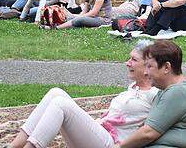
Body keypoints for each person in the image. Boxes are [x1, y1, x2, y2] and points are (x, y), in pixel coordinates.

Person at [10, 41, 158, 148]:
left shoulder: (154, 94)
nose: (127, 63)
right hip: (100, 133)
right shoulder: (133, 86)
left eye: (133, 59)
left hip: (113, 144)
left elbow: (161, 123)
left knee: (60, 105)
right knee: (56, 93)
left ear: (147, 67)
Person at [116, 40, 186, 148]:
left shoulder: (178, 92)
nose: (146, 72)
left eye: (150, 66)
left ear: (166, 67)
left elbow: (148, 133)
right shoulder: (166, 91)